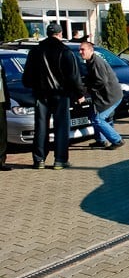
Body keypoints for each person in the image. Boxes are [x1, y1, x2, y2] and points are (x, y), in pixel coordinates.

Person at [22, 22, 85, 169]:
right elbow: (74, 76)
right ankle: (60, 160)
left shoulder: (35, 51)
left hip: (41, 94)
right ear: (60, 34)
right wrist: (79, 93)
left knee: (41, 126)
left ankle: (39, 160)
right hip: (61, 94)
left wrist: (35, 87)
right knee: (61, 127)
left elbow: (27, 78)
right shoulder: (65, 51)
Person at [78, 41, 125, 149]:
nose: (80, 52)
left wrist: (86, 93)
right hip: (104, 96)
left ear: (91, 50)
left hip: (111, 96)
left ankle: (117, 140)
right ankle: (101, 140)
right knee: (93, 115)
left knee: (98, 119)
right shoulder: (90, 62)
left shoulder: (96, 63)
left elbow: (101, 81)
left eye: (83, 49)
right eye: (80, 50)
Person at [0, 59, 11, 170]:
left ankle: (1, 161)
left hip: (1, 100)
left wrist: (7, 101)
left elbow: (3, 81)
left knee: (2, 131)